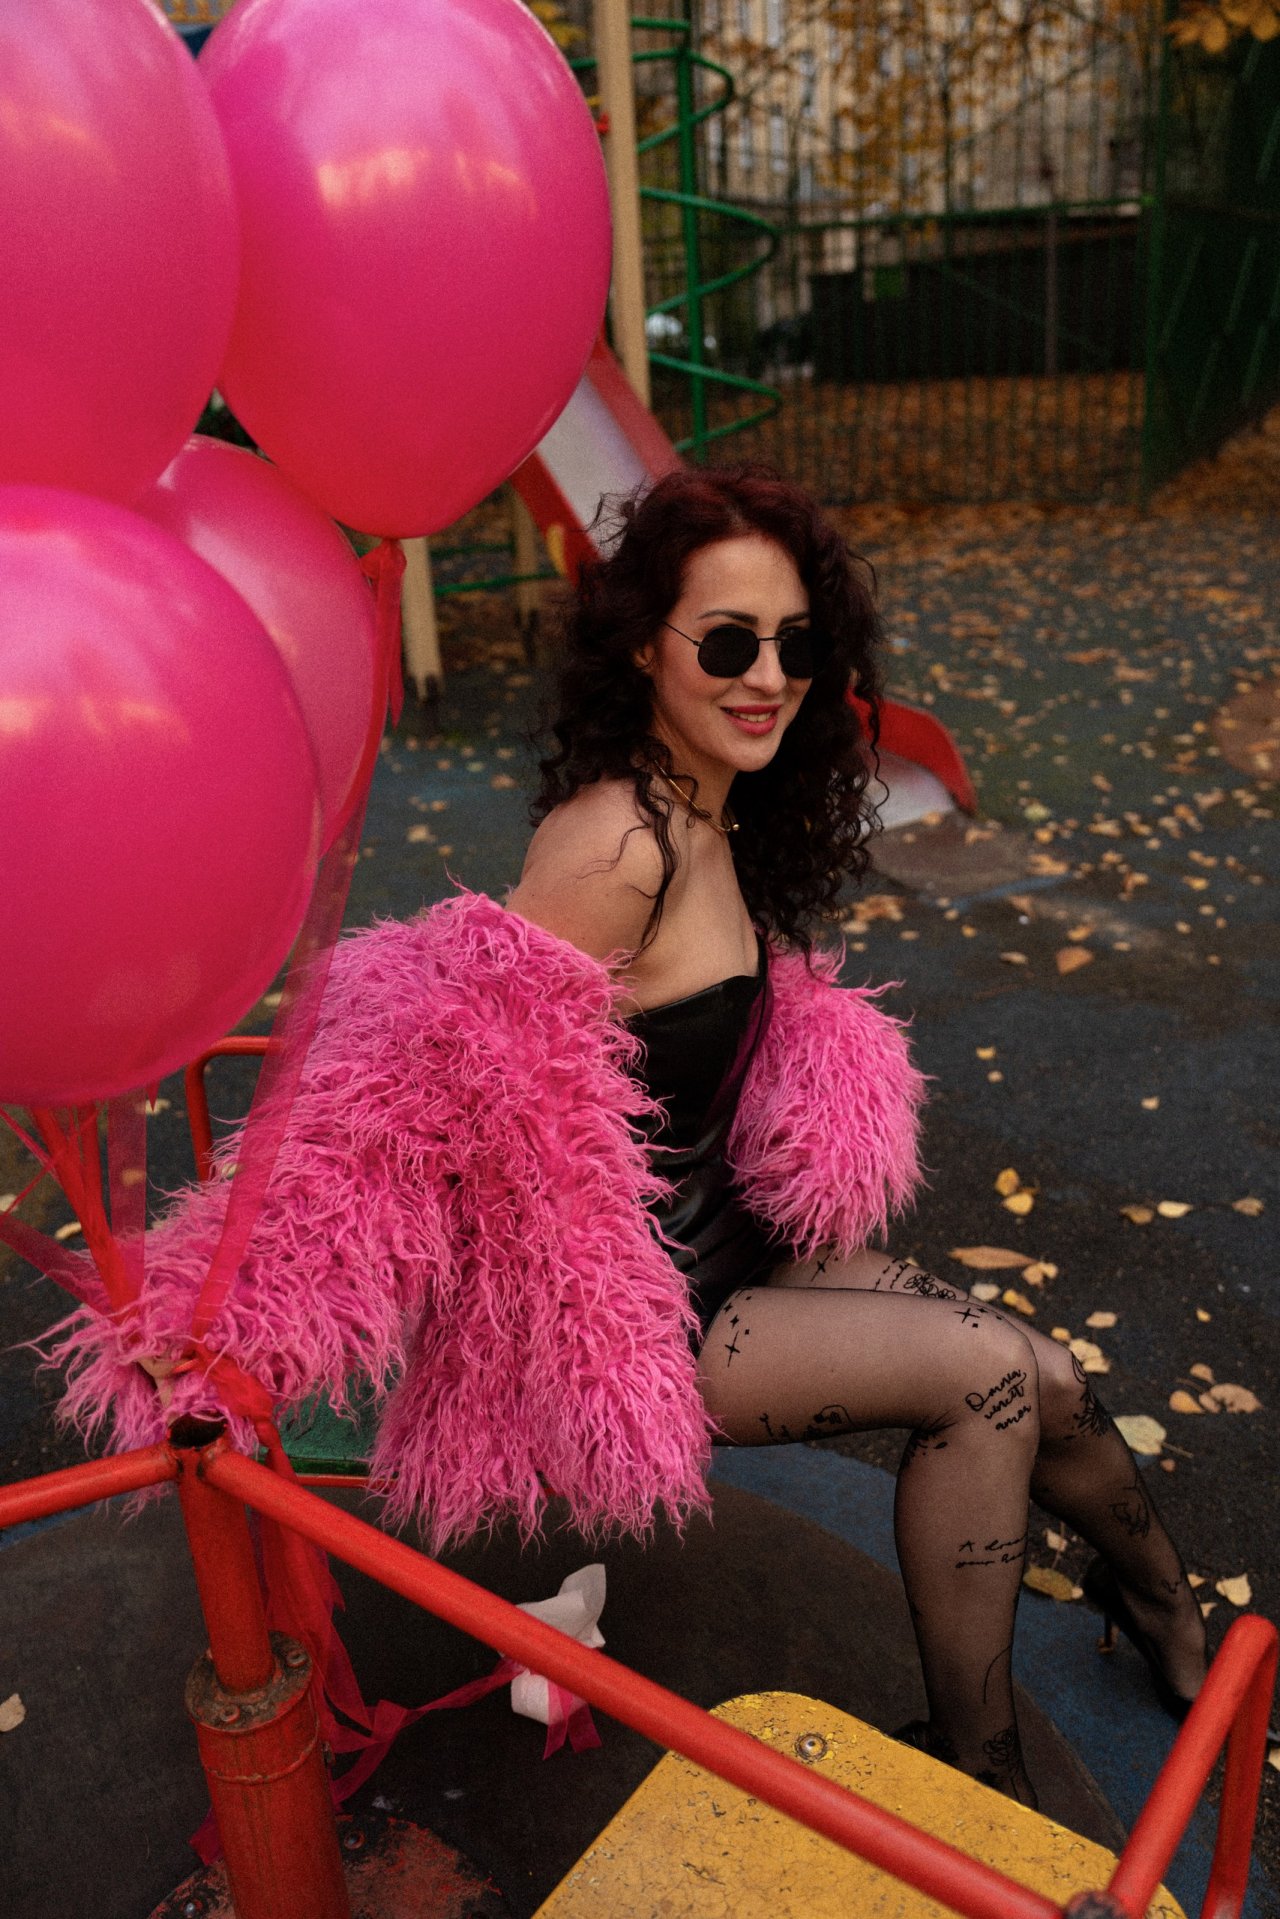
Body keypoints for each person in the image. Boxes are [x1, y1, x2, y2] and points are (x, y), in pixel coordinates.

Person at [504, 465, 1207, 1805]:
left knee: (1047, 1375)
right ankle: (980, 1780)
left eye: (794, 643)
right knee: (984, 1380)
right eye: (728, 644)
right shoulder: (616, 849)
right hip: (653, 1316)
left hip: (734, 1239)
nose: (769, 677)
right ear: (644, 646)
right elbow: (460, 1082)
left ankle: (1167, 1614)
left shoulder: (710, 804)